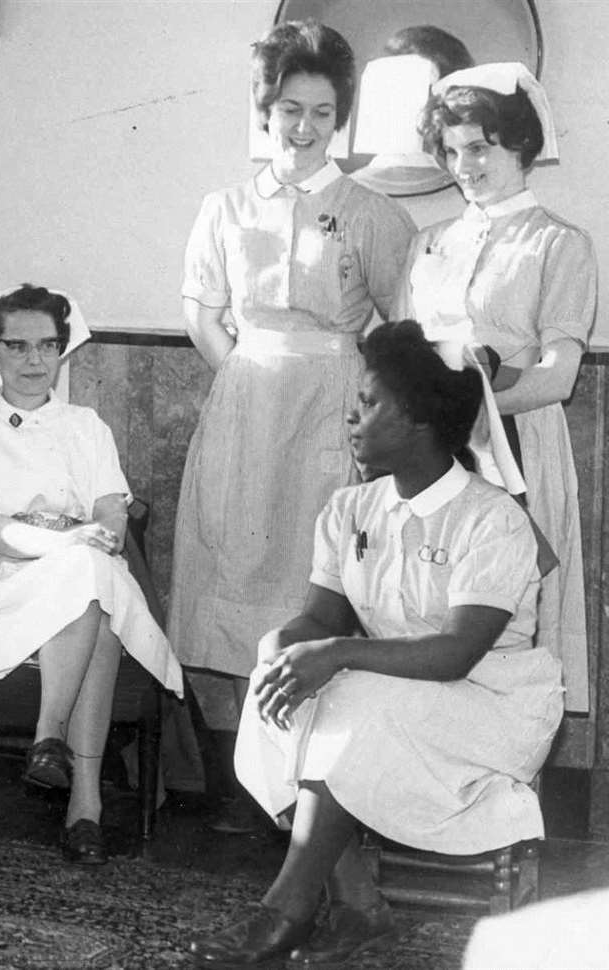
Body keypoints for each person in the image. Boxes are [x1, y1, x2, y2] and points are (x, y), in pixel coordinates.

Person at [189, 321, 561, 968]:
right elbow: (319, 618)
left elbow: (456, 655)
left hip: (491, 704)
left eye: (368, 404)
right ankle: (358, 904)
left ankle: (286, 908)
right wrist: (281, 649)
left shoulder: (492, 519)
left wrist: (334, 655)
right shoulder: (349, 510)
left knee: (349, 698)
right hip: (396, 693)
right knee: (282, 681)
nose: (352, 418)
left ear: (417, 418)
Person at [169, 21, 417, 830]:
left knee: (309, 584)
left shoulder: (370, 212)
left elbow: (401, 323)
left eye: (320, 111)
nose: (303, 127)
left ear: (339, 115)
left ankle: (312, 782)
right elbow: (204, 314)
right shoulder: (227, 205)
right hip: (245, 404)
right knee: (239, 568)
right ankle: (253, 781)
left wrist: (358, 401)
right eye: (287, 109)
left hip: (332, 407)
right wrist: (244, 380)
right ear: (264, 110)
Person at [0, 285, 184, 865]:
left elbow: (110, 514)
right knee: (89, 585)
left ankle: (53, 745)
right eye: (17, 347)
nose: (34, 361)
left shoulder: (86, 424)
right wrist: (62, 542)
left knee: (89, 586)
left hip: (72, 565)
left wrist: (90, 535)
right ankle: (84, 798)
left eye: (47, 346)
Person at [396, 63, 596, 719]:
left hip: (515, 454)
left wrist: (467, 412)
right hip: (430, 462)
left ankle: (508, 802)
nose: (464, 165)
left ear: (520, 144)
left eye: (479, 146)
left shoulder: (559, 244)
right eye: (451, 151)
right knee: (424, 615)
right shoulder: (428, 244)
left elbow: (558, 377)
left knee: (508, 625)